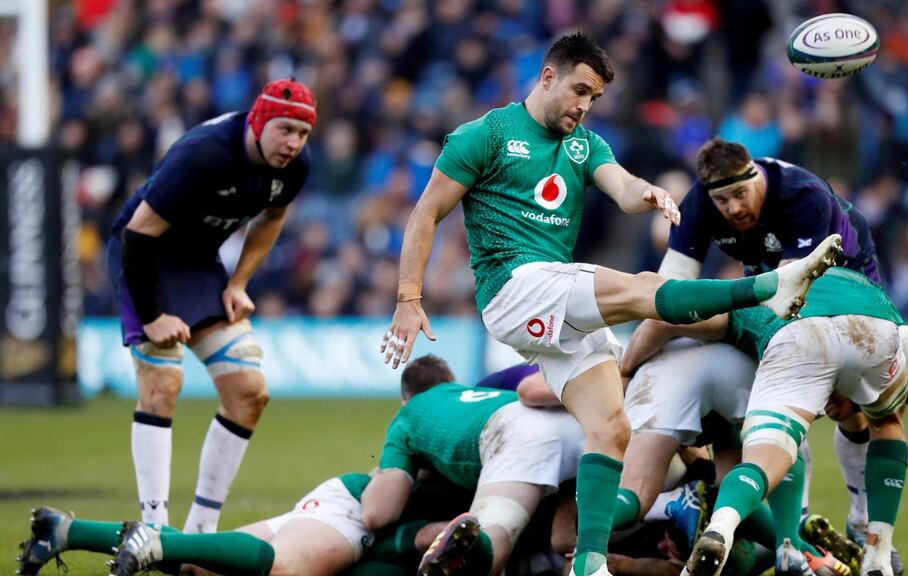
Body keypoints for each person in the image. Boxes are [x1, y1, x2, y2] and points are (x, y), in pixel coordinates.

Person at [378, 32, 842, 576]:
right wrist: (408, 297)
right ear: (547, 76)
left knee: (611, 428)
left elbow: (619, 186)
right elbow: (426, 212)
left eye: (594, 97)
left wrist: (646, 193)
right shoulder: (485, 135)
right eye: (579, 90)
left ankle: (589, 564)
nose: (584, 105)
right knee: (644, 289)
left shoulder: (585, 145)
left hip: (552, 304)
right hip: (513, 284)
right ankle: (769, 288)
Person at [626, 138, 908, 574]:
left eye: (740, 194)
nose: (733, 208)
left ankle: (844, 522)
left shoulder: (803, 195)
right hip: (795, 302)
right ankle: (817, 533)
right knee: (835, 405)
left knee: (854, 405)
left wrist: (625, 368)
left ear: (757, 176)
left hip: (845, 281)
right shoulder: (696, 205)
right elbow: (667, 295)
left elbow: (792, 293)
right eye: (722, 200)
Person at [106, 79, 316, 533]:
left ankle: (199, 535)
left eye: (303, 134)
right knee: (162, 385)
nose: (294, 143)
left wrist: (239, 282)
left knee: (249, 393)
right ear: (258, 122)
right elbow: (138, 234)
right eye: (285, 130)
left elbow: (272, 217)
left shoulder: (294, 168)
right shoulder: (204, 154)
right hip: (146, 256)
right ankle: (154, 532)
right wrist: (152, 316)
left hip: (199, 263)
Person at [677, 268, 908, 576]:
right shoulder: (863, 285)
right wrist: (869, 397)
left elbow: (672, 316)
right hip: (874, 327)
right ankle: (878, 557)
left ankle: (725, 527)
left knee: (768, 455)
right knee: (887, 420)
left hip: (797, 338)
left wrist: (628, 367)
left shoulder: (745, 298)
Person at [360, 354, 585, 576]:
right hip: (578, 428)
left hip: (515, 435)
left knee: (493, 547)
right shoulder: (482, 393)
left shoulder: (409, 413)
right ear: (452, 382)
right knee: (575, 539)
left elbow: (377, 514)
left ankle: (473, 549)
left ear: (405, 401)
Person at [16, 472, 472, 576]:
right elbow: (429, 535)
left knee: (200, 566)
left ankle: (66, 531)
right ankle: (156, 545)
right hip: (356, 510)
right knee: (285, 568)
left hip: (348, 503)